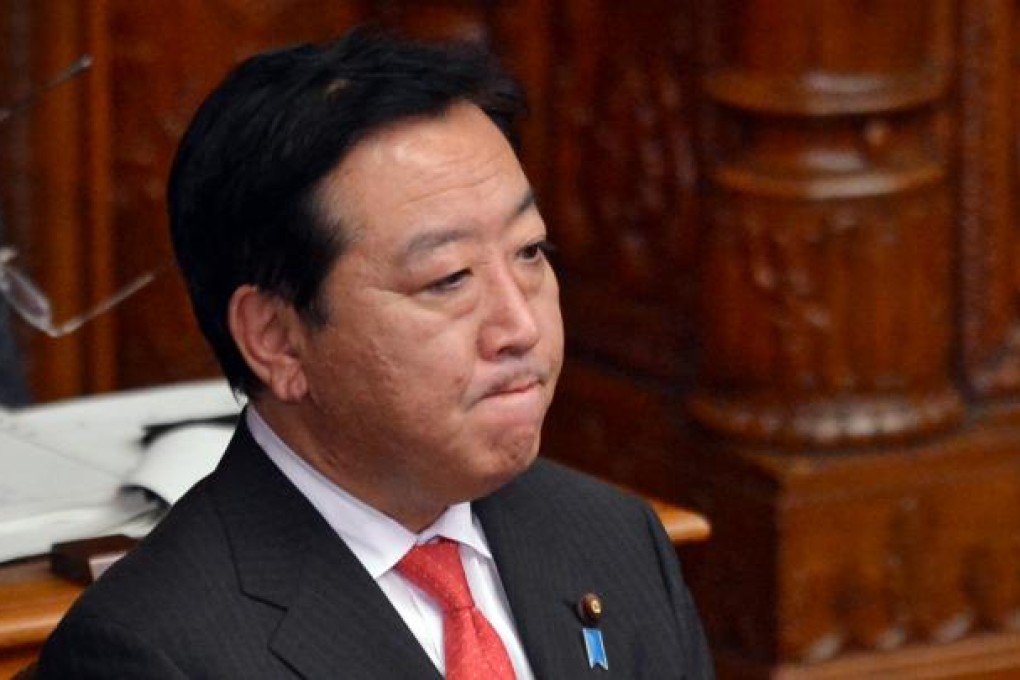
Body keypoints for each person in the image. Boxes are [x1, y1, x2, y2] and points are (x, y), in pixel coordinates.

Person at [36, 28, 712, 679]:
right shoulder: (153, 652)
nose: (520, 325)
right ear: (276, 338)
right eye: (448, 279)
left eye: (530, 252)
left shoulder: (615, 538)